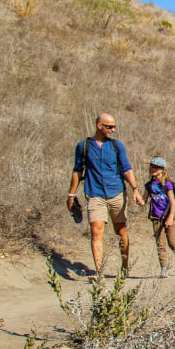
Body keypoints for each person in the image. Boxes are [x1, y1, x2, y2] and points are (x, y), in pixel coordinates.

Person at [66, 113, 144, 278]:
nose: (113, 130)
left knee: (121, 231)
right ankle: (99, 272)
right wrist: (71, 194)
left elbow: (126, 168)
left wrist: (135, 189)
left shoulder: (117, 146)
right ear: (99, 126)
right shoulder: (84, 146)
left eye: (114, 126)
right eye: (109, 126)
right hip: (95, 193)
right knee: (96, 230)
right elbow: (77, 171)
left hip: (116, 193)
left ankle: (124, 268)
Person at [145, 157, 175, 277]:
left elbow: (172, 202)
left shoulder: (167, 184)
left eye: (156, 167)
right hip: (156, 217)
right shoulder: (149, 185)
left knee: (172, 242)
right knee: (160, 244)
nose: (153, 169)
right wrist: (137, 198)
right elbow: (144, 200)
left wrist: (170, 218)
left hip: (168, 216)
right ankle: (164, 268)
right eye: (152, 167)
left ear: (163, 169)